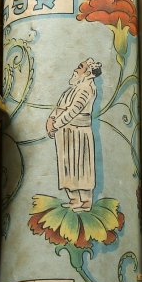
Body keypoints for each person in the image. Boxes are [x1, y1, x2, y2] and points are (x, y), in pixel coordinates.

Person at [45, 58, 102, 211]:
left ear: (88, 72)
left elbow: (73, 111)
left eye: (80, 67)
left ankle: (86, 201)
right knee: (67, 165)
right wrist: (51, 119)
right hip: (65, 133)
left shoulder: (87, 88)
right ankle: (74, 199)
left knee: (81, 166)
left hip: (79, 133)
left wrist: (55, 124)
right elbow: (60, 107)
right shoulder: (74, 87)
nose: (76, 69)